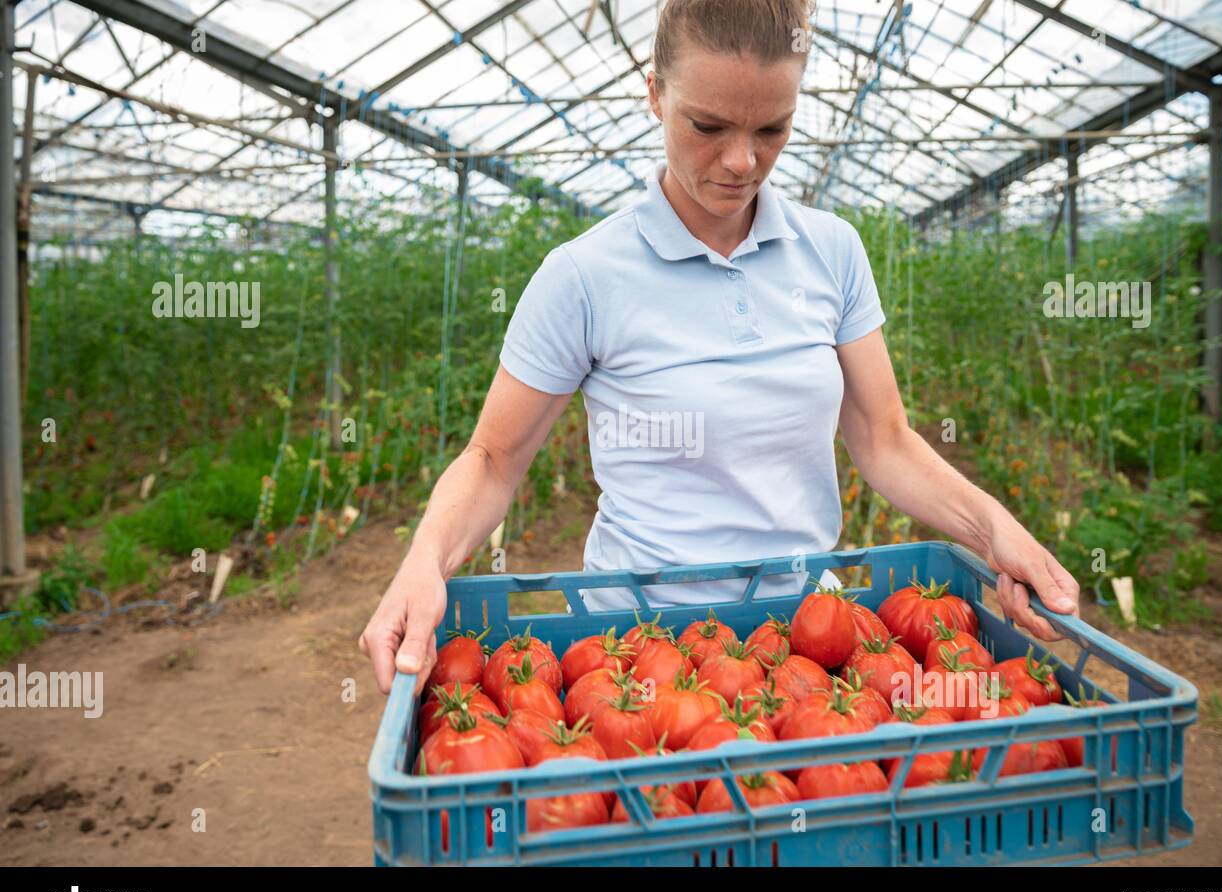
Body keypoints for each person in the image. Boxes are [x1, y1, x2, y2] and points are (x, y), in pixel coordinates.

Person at [359, 0, 1080, 694]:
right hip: (638, 650)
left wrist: (996, 531)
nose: (741, 161)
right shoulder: (583, 276)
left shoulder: (831, 252)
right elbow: (493, 459)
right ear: (654, 95)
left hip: (809, 638)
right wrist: (425, 560)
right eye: (707, 125)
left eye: (773, 129)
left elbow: (883, 437)